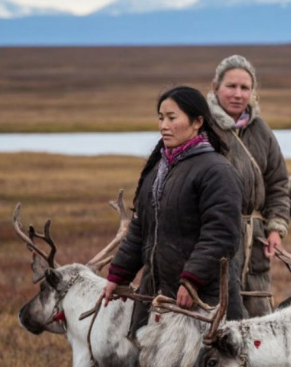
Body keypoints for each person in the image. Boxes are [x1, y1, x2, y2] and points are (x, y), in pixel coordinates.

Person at [101, 85, 244, 336]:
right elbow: (140, 226)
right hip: (156, 291)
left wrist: (191, 280)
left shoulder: (216, 171)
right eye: (160, 117)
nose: (163, 125)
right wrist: (118, 275)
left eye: (171, 118)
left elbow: (221, 234)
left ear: (198, 121)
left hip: (204, 299)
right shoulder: (158, 169)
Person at [207, 54, 291, 317]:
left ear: (253, 92)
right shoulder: (201, 128)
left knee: (259, 317)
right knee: (214, 313)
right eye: (231, 86)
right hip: (213, 234)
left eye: (245, 88)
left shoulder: (261, 131)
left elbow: (278, 184)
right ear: (215, 87)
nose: (238, 94)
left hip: (254, 238)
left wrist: (275, 229)